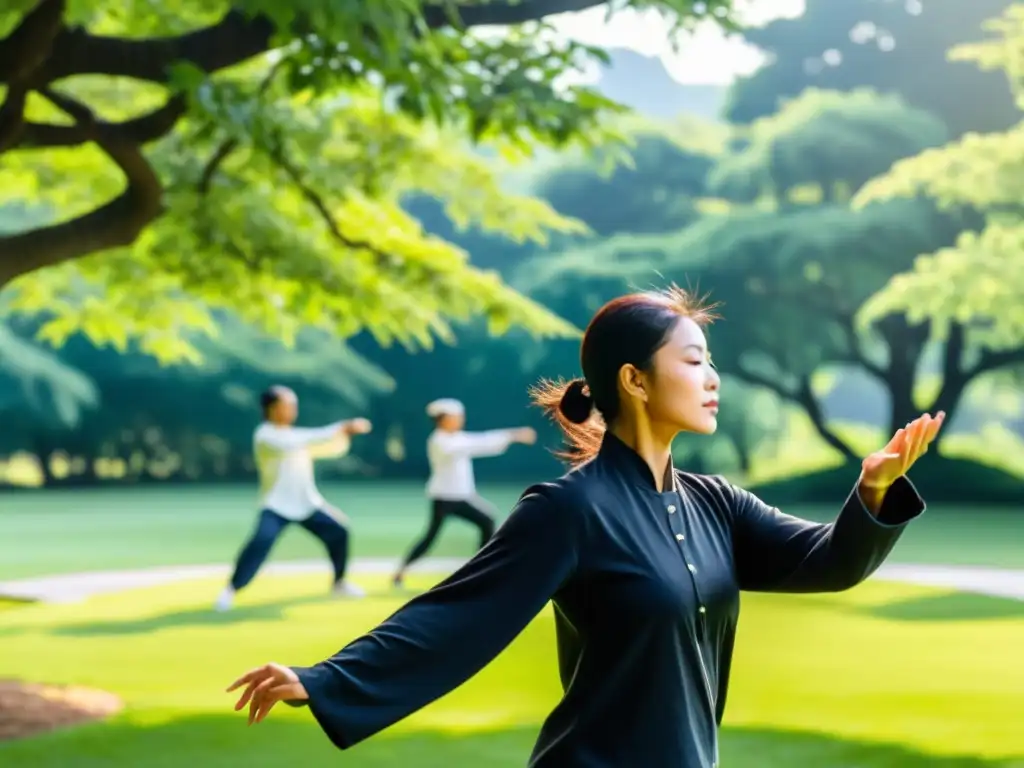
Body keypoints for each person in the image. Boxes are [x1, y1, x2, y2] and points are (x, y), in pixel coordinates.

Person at [227, 286, 944, 768]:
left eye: (711, 361)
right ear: (634, 380)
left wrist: (873, 491)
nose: (712, 376)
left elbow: (829, 560)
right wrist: (325, 680)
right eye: (694, 360)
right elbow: (458, 615)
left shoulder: (716, 504)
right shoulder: (570, 511)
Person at [214, 385, 373, 612]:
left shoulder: (297, 438)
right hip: (276, 505)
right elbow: (302, 440)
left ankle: (339, 583)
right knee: (260, 542)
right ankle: (230, 589)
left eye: (292, 405)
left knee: (340, 530)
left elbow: (330, 448)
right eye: (285, 405)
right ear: (270, 408)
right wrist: (342, 426)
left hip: (307, 502)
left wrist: (343, 434)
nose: (291, 410)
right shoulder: (265, 435)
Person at [391, 398, 536, 588]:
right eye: (456, 417)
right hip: (447, 498)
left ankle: (478, 568)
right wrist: (513, 435)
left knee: (447, 531)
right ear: (443, 419)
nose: (460, 420)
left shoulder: (454, 438)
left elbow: (480, 440)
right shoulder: (439, 440)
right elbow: (475, 444)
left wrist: (512, 435)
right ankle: (481, 568)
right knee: (482, 521)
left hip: (458, 497)